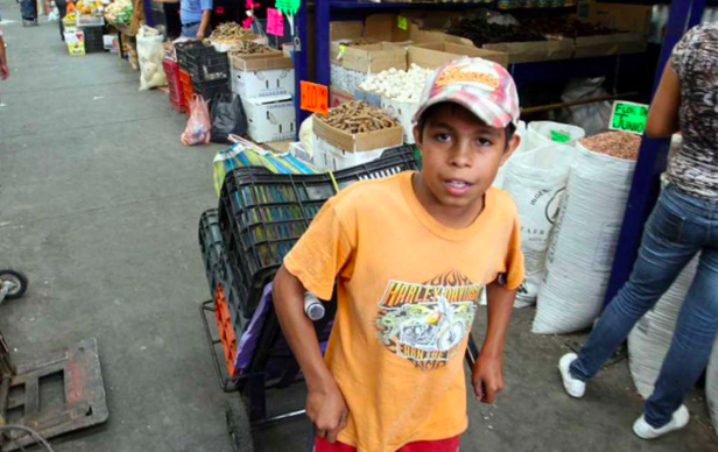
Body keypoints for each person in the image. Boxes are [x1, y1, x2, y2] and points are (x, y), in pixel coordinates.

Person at [273, 57, 525, 452]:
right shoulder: (358, 210)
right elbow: (287, 284)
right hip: (354, 416)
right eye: (443, 136)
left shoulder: (503, 215)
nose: (461, 157)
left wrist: (491, 351)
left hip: (436, 418)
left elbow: (505, 279)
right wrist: (321, 386)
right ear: (418, 135)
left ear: (509, 147)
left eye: (483, 140)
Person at [559, 23, 718, 440]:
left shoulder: (698, 41)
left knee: (638, 292)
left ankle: (579, 371)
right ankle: (658, 416)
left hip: (683, 200)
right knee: (701, 323)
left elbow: (657, 127)